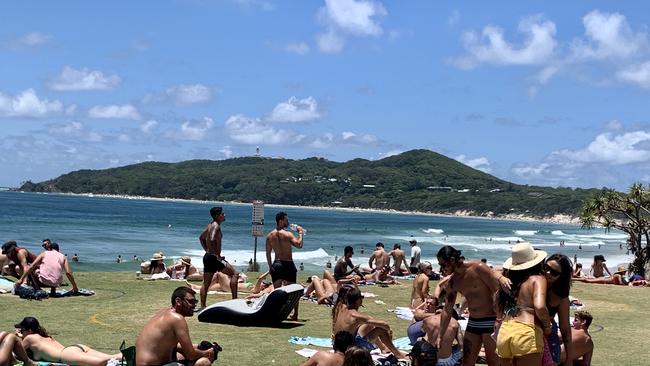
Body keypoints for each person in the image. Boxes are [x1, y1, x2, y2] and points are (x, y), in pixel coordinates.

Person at [436, 245, 511, 366]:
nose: (441, 269)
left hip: (491, 321)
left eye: (443, 264)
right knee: (466, 362)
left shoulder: (478, 268)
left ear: (453, 260)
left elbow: (497, 291)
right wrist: (440, 335)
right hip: (473, 322)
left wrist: (499, 319)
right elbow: (447, 310)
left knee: (493, 362)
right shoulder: (453, 282)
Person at [496, 243, 552, 365]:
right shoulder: (537, 279)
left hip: (505, 329)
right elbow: (540, 306)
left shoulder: (511, 280)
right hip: (526, 330)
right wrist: (547, 326)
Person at [135, 287, 216, 366]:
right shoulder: (177, 319)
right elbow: (190, 355)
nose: (194, 305)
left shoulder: (164, 313)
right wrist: (208, 353)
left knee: (180, 355)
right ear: (178, 301)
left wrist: (199, 346)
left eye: (195, 301)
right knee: (204, 362)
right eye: (191, 301)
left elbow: (170, 345)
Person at [332, 286, 407, 358]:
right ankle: (398, 354)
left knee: (368, 325)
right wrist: (389, 331)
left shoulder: (340, 307)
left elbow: (369, 321)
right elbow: (385, 324)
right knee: (381, 329)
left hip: (337, 345)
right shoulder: (356, 316)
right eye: (361, 297)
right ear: (358, 300)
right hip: (350, 350)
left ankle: (383, 348)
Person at [16, 316, 121, 365]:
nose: (21, 331)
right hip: (74, 348)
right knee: (110, 357)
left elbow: (17, 352)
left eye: (22, 330)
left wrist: (18, 338)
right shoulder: (43, 336)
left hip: (66, 355)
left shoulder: (29, 338)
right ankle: (126, 354)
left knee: (101, 363)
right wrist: (22, 336)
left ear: (29, 330)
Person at [266, 211, 303, 320]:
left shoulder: (269, 235)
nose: (288, 222)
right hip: (288, 264)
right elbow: (299, 245)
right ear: (281, 221)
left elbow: (268, 252)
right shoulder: (287, 234)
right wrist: (300, 232)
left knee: (276, 292)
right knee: (294, 291)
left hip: (276, 264)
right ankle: (295, 314)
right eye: (286, 220)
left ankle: (275, 313)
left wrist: (270, 267)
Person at [199, 206, 239, 307]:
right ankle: (234, 301)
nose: (224, 215)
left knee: (206, 283)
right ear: (217, 216)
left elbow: (201, 238)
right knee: (235, 274)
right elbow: (212, 239)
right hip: (213, 258)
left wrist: (207, 250)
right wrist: (216, 255)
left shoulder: (210, 225)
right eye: (222, 214)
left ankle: (203, 306)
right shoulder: (216, 226)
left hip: (208, 257)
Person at [544, 254, 575, 365]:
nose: (548, 273)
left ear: (561, 276)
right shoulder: (531, 282)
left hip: (549, 335)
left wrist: (569, 358)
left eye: (554, 273)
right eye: (546, 268)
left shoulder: (561, 297)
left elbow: (565, 328)